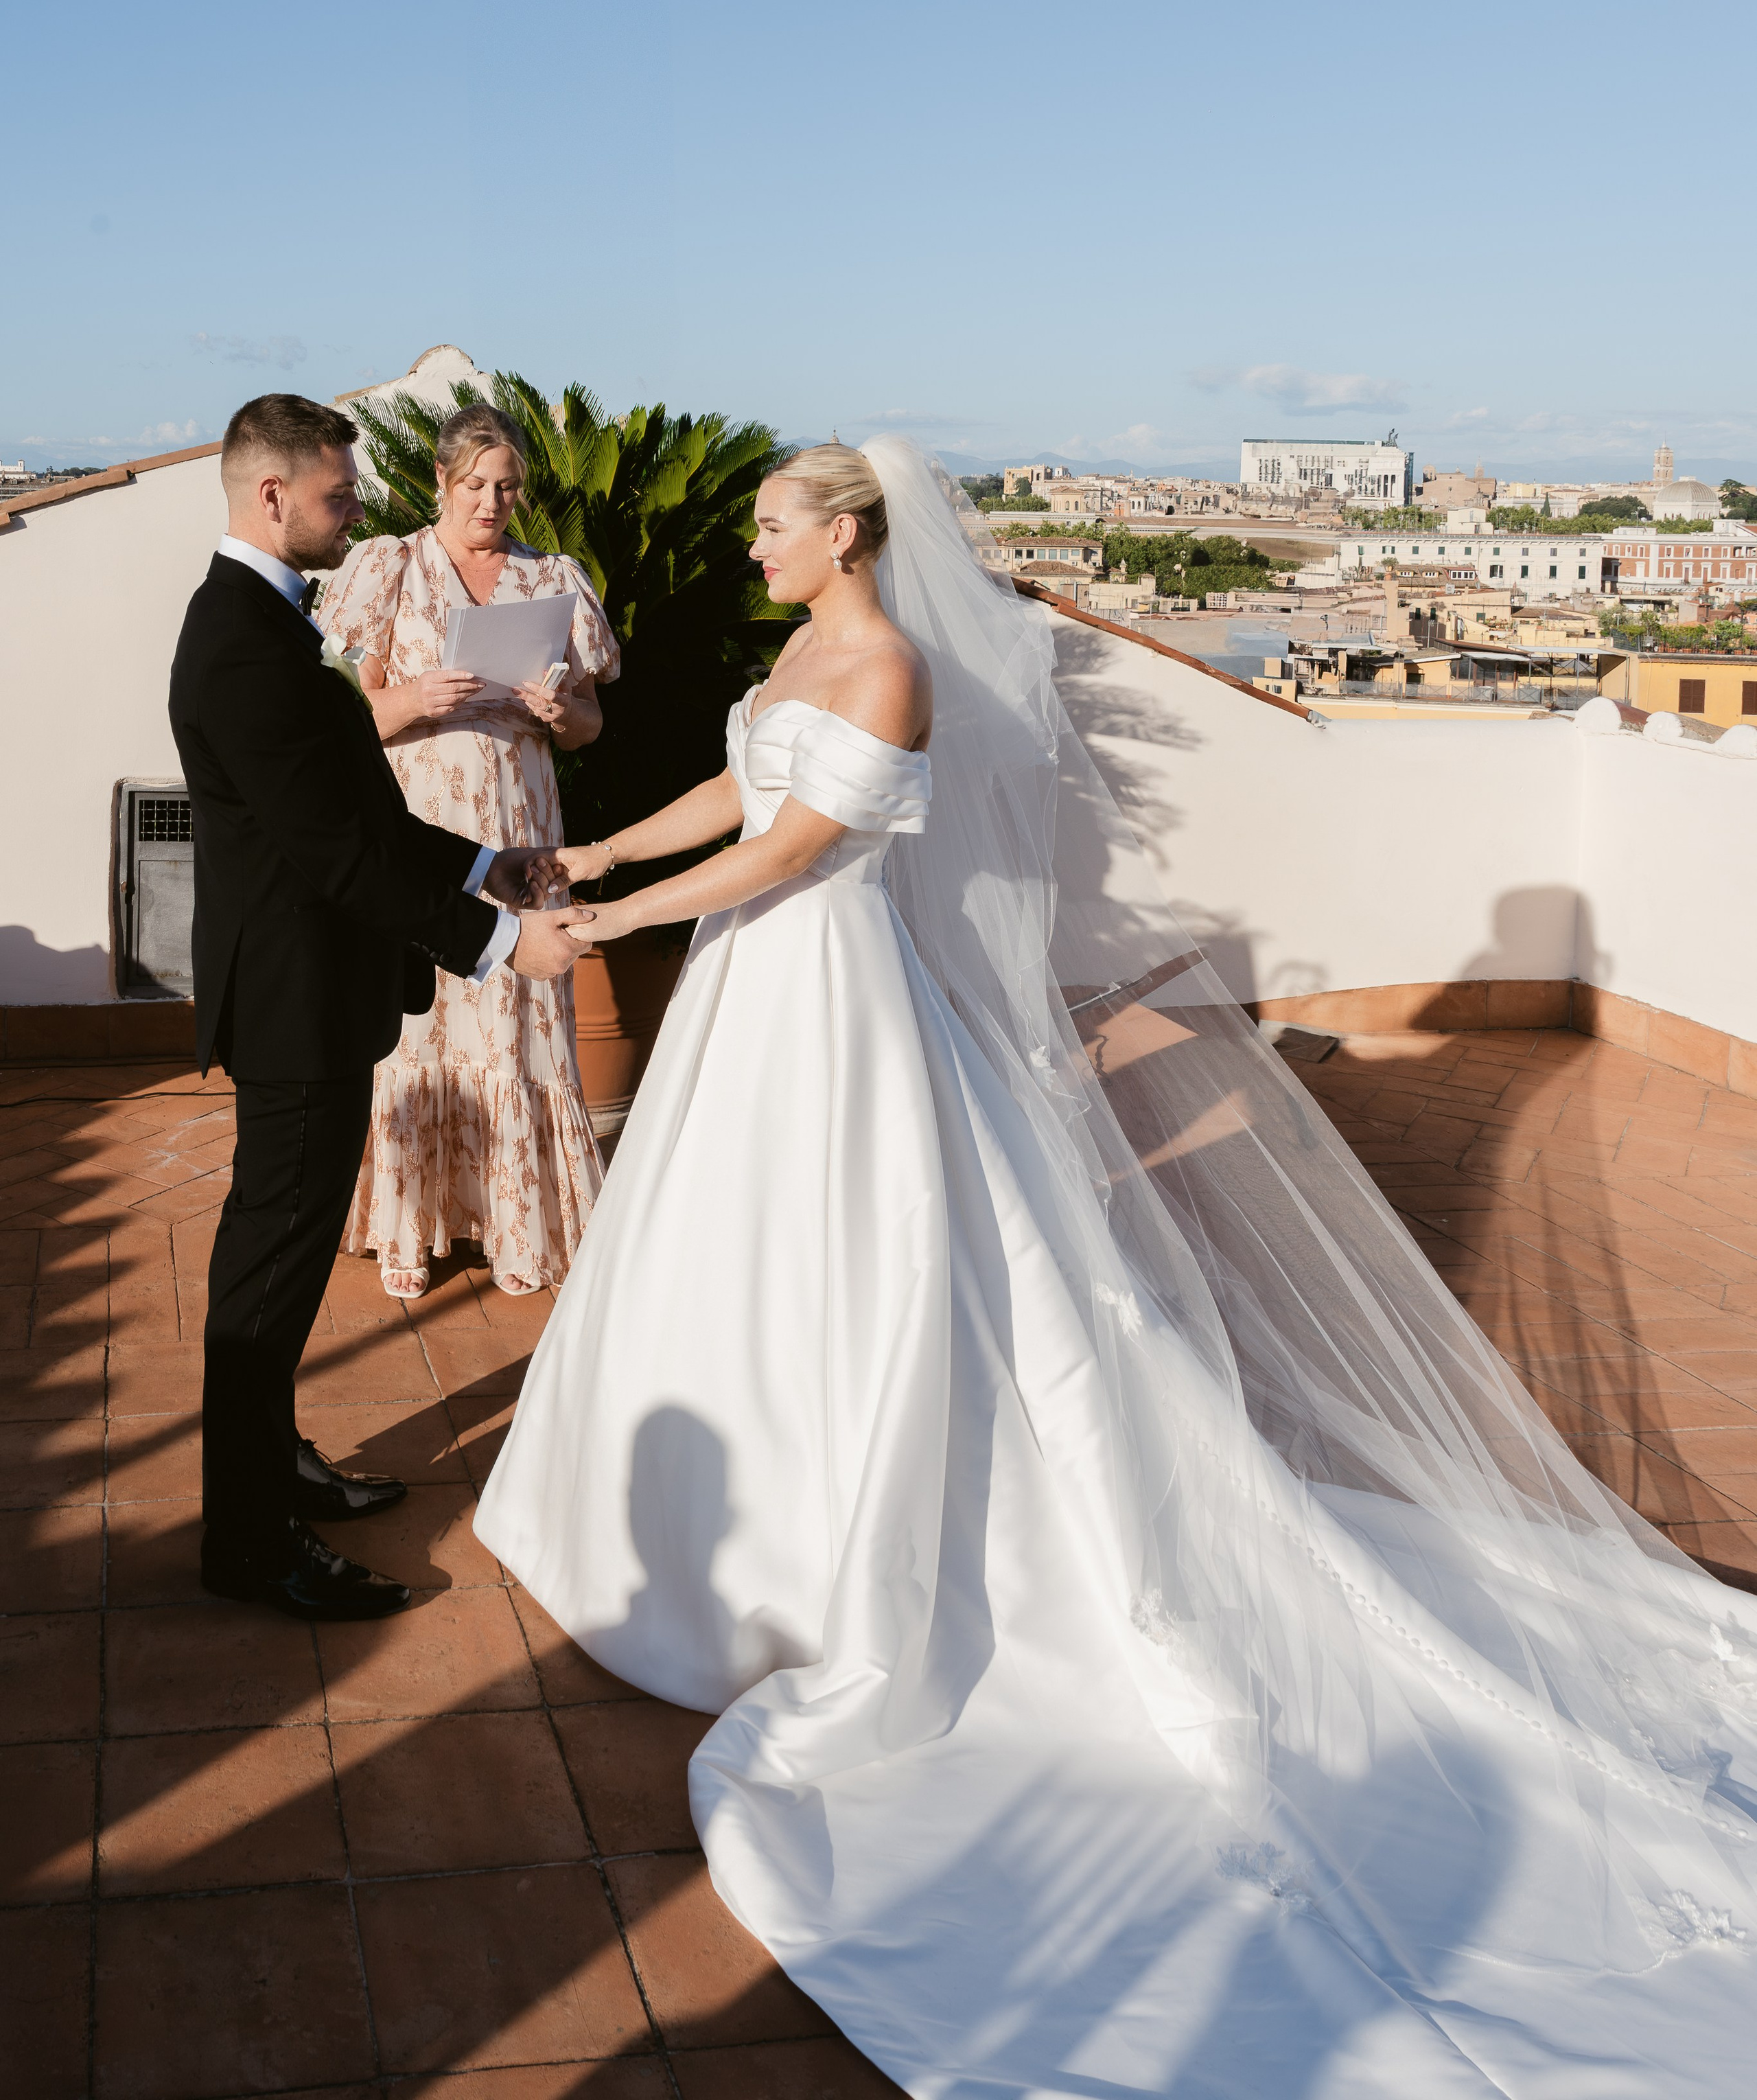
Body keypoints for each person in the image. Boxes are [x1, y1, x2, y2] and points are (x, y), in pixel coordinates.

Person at [477, 437, 1757, 2096]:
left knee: (864, 1253)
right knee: (729, 1236)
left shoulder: (888, 670)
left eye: (774, 526)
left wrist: (608, 925)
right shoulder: (798, 657)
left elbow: (794, 852)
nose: (755, 548)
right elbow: (738, 790)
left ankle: (842, 1550)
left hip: (829, 988)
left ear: (847, 535)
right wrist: (599, 857)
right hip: (749, 983)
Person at [170, 393, 588, 1624]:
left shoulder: (260, 619)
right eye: (339, 493)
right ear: (272, 496)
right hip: (292, 1003)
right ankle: (251, 1542)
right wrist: (504, 943)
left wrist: (487, 864)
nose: (356, 511)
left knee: (284, 1265)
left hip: (310, 992)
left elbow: (358, 813)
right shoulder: (242, 642)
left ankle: (273, 1459)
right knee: (268, 1276)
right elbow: (337, 856)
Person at [316, 402, 618, 1298]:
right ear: (442, 481)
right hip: (422, 825)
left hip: (525, 831)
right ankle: (408, 1228)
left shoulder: (552, 579)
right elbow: (345, 723)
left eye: (509, 487)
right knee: (423, 1015)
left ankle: (519, 1231)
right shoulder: (391, 568)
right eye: (477, 484)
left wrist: (563, 714)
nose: (493, 502)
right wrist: (416, 700)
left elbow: (591, 724)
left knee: (519, 1014)